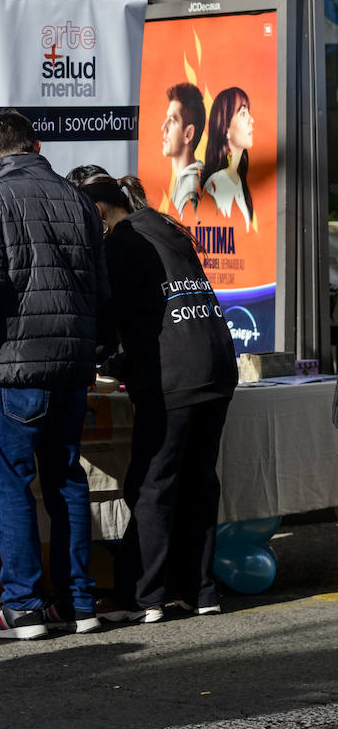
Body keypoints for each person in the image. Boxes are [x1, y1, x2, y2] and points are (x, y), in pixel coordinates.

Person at [0, 111, 107, 640]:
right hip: (72, 364)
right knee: (66, 480)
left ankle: (23, 607)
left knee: (12, 487)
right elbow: (99, 287)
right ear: (36, 146)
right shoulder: (77, 197)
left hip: (14, 367)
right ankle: (80, 603)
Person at [73, 173, 237, 623]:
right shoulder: (165, 227)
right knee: (199, 482)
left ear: (100, 213)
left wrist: (96, 359)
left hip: (177, 377)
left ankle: (144, 597)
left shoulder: (121, 243)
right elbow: (156, 316)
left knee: (153, 484)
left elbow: (111, 320)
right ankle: (201, 591)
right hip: (216, 367)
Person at [201, 86, 255, 230]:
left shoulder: (237, 179)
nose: (251, 120)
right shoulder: (218, 184)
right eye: (243, 113)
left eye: (248, 112)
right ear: (226, 130)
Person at [160, 83, 206, 219]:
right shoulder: (187, 181)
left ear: (188, 134)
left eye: (172, 120)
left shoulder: (190, 190)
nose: (164, 127)